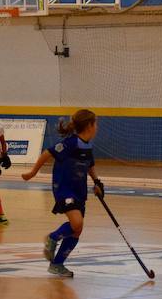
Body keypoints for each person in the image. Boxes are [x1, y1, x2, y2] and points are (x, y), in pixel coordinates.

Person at [22, 109, 103, 277]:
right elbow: (47, 153)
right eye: (96, 123)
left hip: (79, 191)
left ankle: (57, 264)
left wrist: (97, 182)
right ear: (89, 126)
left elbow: (90, 164)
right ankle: (53, 238)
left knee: (77, 229)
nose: (97, 127)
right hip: (64, 188)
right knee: (76, 222)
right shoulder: (71, 143)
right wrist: (32, 173)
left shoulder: (88, 145)